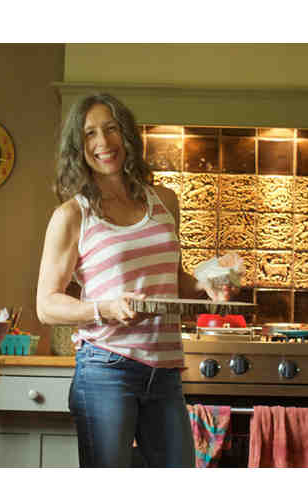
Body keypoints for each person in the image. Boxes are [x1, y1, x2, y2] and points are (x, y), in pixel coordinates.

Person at [36, 93, 237, 468]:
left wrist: (206, 284)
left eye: (111, 128)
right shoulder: (72, 215)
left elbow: (171, 280)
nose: (103, 142)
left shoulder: (164, 201)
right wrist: (106, 309)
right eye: (90, 133)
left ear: (126, 134)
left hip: (165, 370)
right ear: (78, 146)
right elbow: (46, 305)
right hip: (106, 369)